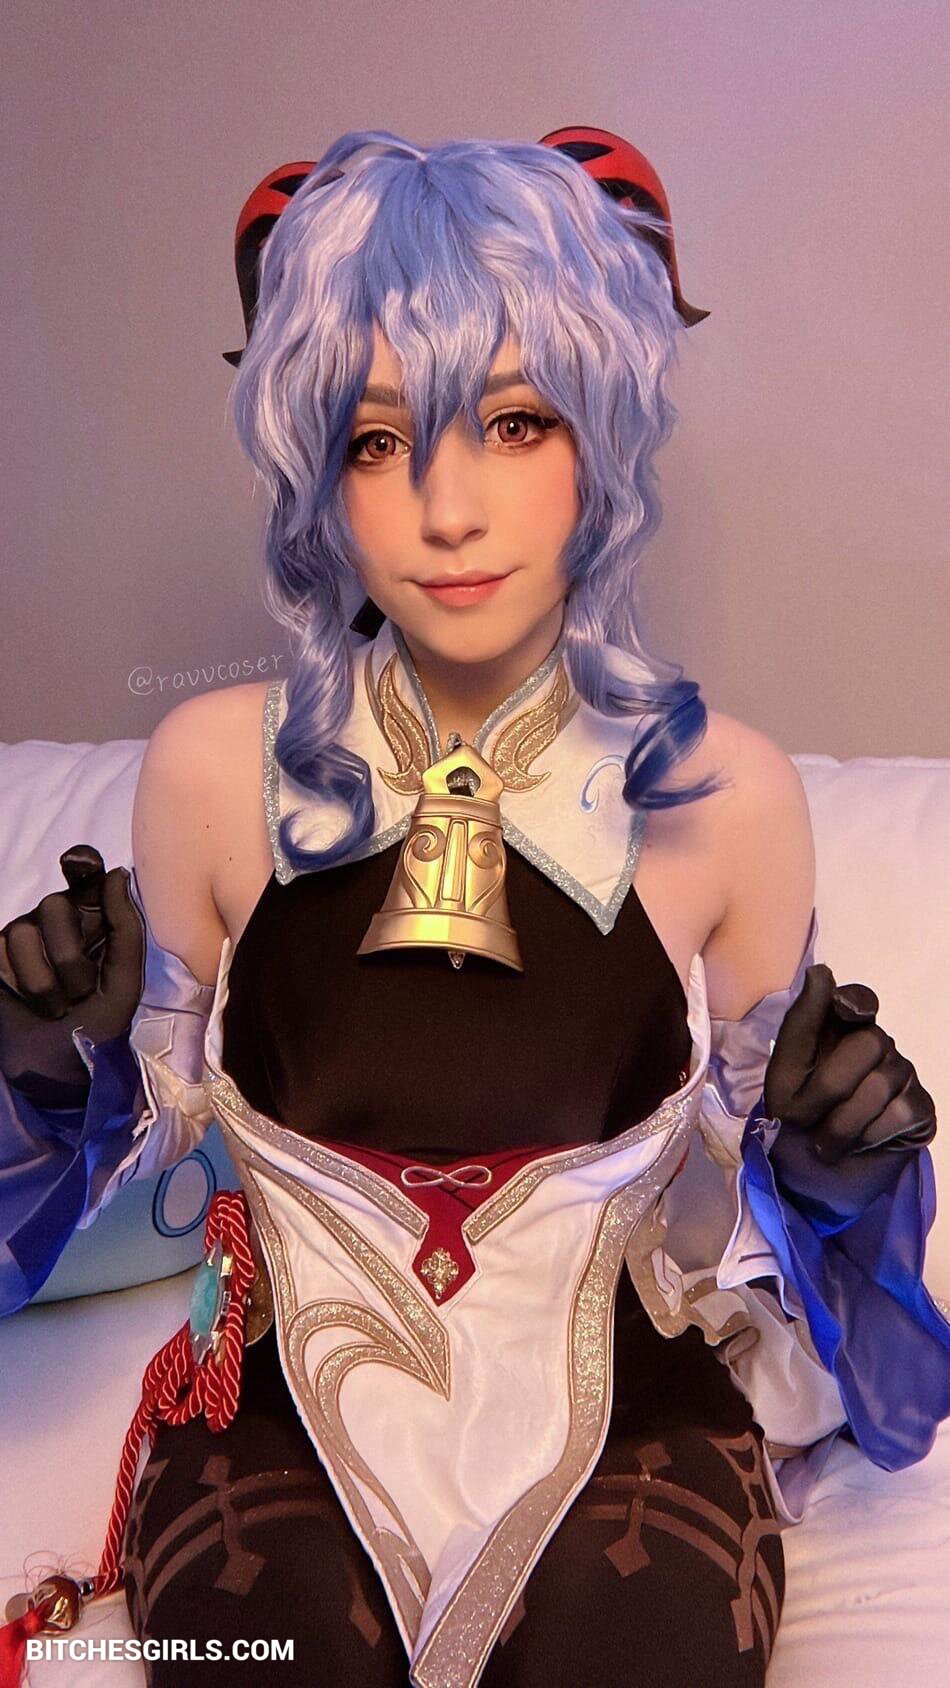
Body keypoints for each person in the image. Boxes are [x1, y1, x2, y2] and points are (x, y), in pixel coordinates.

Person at [1, 129, 947, 1688]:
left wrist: (835, 1177)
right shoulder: (211, 769)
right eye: (377, 439)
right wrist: (47, 1066)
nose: (447, 508)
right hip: (275, 1424)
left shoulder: (727, 795)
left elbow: (765, 1249)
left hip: (631, 1423)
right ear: (314, 465)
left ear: (607, 428)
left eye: (515, 422)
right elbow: (131, 1178)